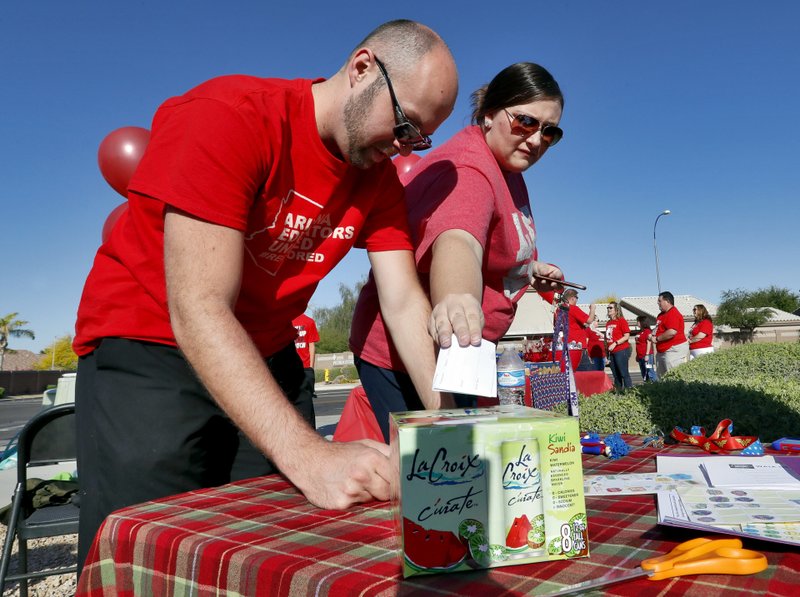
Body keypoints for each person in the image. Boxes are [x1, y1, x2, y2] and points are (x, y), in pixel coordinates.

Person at [71, 20, 468, 570]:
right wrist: (310, 455)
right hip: (151, 346)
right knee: (152, 548)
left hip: (265, 352)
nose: (402, 147)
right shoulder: (229, 115)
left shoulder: (376, 179)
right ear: (361, 69)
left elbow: (402, 302)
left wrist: (452, 425)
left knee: (275, 548)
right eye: (403, 124)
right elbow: (199, 306)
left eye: (418, 138)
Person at [350, 62, 566, 442]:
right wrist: (457, 297)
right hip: (410, 355)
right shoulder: (470, 169)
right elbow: (458, 237)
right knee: (436, 475)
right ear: (488, 115)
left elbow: (488, 246)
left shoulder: (508, 171)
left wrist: (529, 269)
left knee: (460, 469)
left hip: (461, 352)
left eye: (550, 132)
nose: (536, 140)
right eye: (525, 122)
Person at [649, 291, 689, 377]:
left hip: (673, 349)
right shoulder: (661, 315)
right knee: (662, 377)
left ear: (667, 301)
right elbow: (658, 329)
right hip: (662, 350)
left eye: (660, 301)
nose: (657, 303)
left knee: (673, 376)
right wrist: (652, 335)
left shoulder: (673, 313)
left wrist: (657, 339)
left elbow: (671, 332)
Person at [292, 313, 319, 425]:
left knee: (306, 401)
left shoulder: (308, 321)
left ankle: (310, 429)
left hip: (305, 367)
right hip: (291, 366)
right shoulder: (286, 320)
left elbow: (311, 345)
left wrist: (311, 367)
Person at [559, 289, 596, 369]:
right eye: (577, 298)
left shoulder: (560, 310)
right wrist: (592, 309)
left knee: (571, 373)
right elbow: (589, 320)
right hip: (578, 347)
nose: (577, 300)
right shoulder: (573, 308)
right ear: (572, 298)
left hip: (566, 346)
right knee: (585, 375)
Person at [604, 302, 632, 390]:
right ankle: (619, 393)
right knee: (616, 375)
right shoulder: (608, 323)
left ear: (616, 310)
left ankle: (629, 393)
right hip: (611, 352)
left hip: (621, 350)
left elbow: (626, 336)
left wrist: (615, 343)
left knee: (623, 373)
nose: (608, 309)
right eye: (608, 308)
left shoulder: (621, 321)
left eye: (610, 308)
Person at [635, 315, 658, 382]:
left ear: (643, 322)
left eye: (638, 321)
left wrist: (647, 354)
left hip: (647, 356)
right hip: (640, 356)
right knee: (643, 372)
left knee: (649, 370)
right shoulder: (639, 332)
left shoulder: (647, 331)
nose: (637, 323)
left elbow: (649, 343)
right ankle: (648, 385)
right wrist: (637, 355)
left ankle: (656, 384)